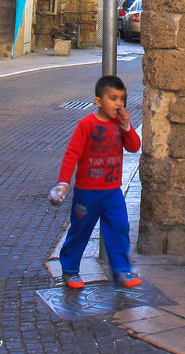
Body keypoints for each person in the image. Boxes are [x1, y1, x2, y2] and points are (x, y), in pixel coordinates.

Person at [50, 74, 142, 290]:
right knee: (80, 230)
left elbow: (134, 146)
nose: (119, 103)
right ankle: (70, 269)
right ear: (99, 101)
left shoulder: (119, 124)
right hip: (87, 192)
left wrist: (127, 126)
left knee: (119, 227)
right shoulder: (86, 124)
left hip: (112, 192)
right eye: (113, 98)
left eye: (122, 98)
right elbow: (72, 154)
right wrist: (63, 182)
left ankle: (121, 269)